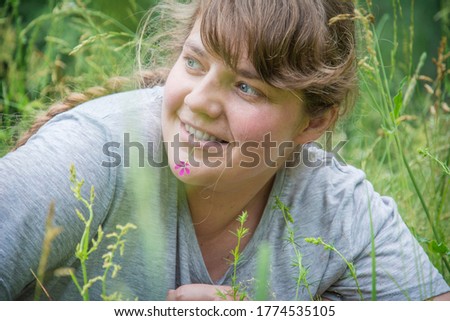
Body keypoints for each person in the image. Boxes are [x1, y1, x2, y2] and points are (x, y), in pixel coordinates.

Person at [0, 0, 449, 301]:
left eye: (247, 87)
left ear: (315, 122)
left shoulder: (334, 203)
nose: (196, 101)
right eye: (194, 63)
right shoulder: (87, 154)